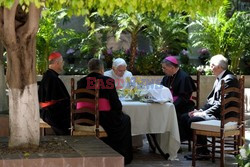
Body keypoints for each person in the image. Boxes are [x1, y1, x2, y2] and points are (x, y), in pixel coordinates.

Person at [181, 54, 239, 160]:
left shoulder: (229, 79)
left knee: (193, 120)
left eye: (212, 65)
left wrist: (202, 114)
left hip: (225, 116)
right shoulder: (220, 78)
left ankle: (203, 151)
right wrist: (200, 110)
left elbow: (222, 104)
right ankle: (202, 149)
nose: (210, 68)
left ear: (219, 67)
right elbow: (211, 101)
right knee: (185, 117)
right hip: (218, 112)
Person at [77, 58, 133, 164]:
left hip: (82, 117)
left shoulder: (81, 81)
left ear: (89, 69)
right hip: (102, 118)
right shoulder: (107, 81)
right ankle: (120, 154)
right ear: (102, 69)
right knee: (125, 119)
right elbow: (116, 105)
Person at [38, 52, 70, 135]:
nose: (63, 64)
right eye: (62, 62)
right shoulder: (53, 78)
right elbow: (61, 101)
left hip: (47, 112)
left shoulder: (49, 76)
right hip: (52, 114)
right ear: (57, 63)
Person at [161, 56, 197, 126]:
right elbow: (161, 89)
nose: (163, 70)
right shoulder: (167, 77)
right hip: (170, 104)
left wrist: (172, 106)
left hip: (183, 107)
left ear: (172, 67)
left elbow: (184, 98)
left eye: (164, 68)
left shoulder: (184, 77)